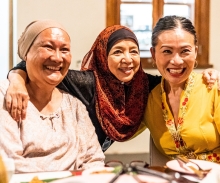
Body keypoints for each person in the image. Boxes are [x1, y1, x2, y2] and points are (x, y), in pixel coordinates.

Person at [5, 24, 220, 152]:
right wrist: (16, 79)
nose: (127, 59)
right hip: (71, 161)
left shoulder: (145, 85)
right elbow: (33, 66)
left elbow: (175, 75)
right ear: (102, 56)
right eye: (117, 52)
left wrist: (211, 75)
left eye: (133, 51)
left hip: (96, 162)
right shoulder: (86, 82)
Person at [0, 19, 105, 172]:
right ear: (26, 54)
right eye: (48, 47)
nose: (57, 58)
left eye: (64, 50)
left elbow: (93, 158)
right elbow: (8, 162)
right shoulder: (5, 95)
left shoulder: (74, 105)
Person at [140, 15, 220, 162]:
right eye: (167, 51)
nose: (177, 61)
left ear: (195, 52)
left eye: (185, 51)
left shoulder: (212, 88)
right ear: (153, 54)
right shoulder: (149, 99)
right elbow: (120, 130)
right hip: (175, 181)